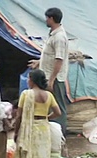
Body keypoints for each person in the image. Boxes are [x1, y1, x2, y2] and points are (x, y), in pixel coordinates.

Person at [14, 70, 61, 158]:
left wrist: (16, 132)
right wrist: (46, 117)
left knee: (27, 156)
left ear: (32, 80)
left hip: (29, 129)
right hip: (43, 128)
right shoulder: (48, 95)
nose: (27, 81)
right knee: (41, 157)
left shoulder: (26, 94)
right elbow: (58, 113)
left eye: (28, 79)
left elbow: (19, 116)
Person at [28, 8, 69, 136]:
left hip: (55, 78)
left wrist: (51, 80)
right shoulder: (53, 34)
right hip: (48, 75)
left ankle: (59, 135)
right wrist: (39, 62)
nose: (45, 20)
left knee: (57, 107)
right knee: (49, 104)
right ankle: (51, 133)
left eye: (47, 18)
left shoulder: (59, 37)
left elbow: (59, 60)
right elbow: (50, 56)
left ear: (51, 19)